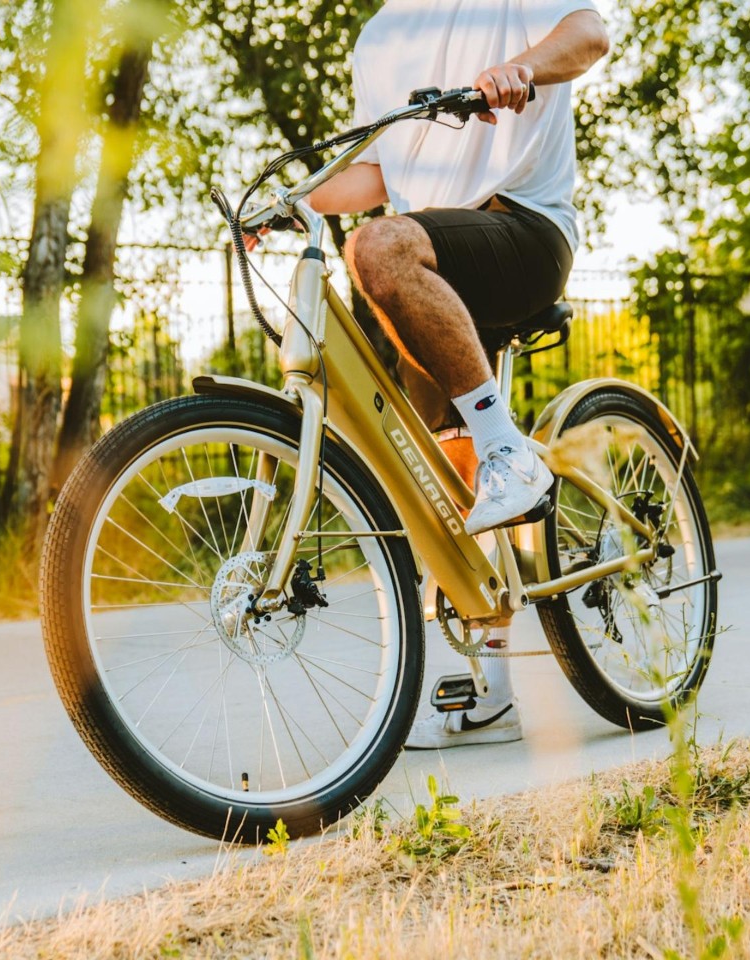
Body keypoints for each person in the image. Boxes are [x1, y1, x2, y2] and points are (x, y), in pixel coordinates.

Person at [263, 1, 610, 747]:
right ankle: (491, 669)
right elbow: (377, 176)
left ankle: (509, 450)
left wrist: (522, 68)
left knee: (375, 250)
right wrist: (292, 197)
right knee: (432, 464)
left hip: (522, 226)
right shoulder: (381, 35)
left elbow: (589, 36)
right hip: (427, 259)